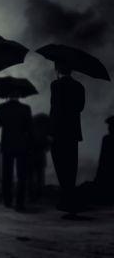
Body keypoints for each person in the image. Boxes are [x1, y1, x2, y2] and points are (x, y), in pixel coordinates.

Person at [49, 62, 84, 218]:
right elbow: (80, 107)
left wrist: (51, 131)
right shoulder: (79, 86)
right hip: (73, 132)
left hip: (59, 132)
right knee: (72, 165)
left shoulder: (55, 85)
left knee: (60, 165)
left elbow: (54, 108)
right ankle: (71, 199)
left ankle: (66, 200)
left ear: (57, 70)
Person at [0, 97, 32, 211]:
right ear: (19, 95)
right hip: (21, 144)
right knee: (22, 175)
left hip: (7, 144)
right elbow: (29, 127)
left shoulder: (1, 107)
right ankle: (20, 203)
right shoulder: (25, 108)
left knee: (7, 174)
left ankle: (7, 201)